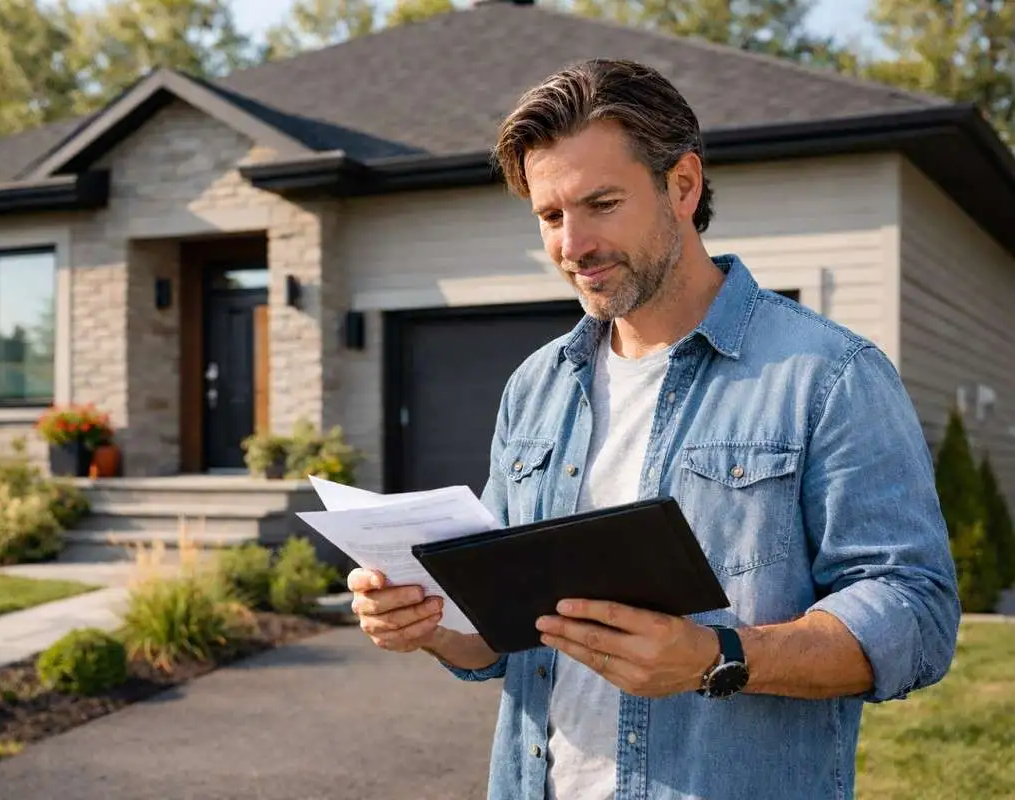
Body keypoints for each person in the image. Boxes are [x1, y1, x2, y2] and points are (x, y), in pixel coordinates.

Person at [347, 58, 961, 800]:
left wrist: (719, 655)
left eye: (601, 204)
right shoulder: (536, 387)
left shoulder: (828, 374)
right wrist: (428, 622)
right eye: (550, 216)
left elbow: (914, 612)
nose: (573, 245)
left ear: (683, 185)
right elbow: (504, 631)